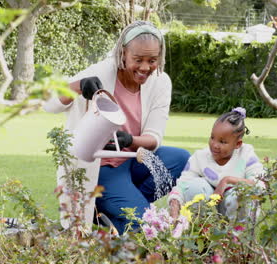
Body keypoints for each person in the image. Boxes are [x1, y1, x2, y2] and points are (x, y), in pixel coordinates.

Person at [44, 21, 190, 234]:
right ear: (123, 53)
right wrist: (79, 85)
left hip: (133, 160)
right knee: (148, 226)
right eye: (137, 59)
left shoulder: (160, 81)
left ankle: (111, 211)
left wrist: (130, 140)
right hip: (101, 167)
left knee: (182, 160)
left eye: (152, 60)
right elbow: (49, 104)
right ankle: (117, 209)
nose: (145, 67)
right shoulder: (102, 72)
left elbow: (154, 137)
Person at [168, 107, 263, 222]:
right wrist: (173, 215)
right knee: (194, 187)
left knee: (240, 195)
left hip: (234, 214)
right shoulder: (200, 158)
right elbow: (182, 186)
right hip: (210, 213)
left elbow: (258, 184)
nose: (214, 145)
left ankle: (235, 236)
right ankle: (202, 231)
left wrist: (227, 180)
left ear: (237, 144)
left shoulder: (246, 155)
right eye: (212, 138)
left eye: (222, 142)